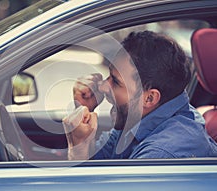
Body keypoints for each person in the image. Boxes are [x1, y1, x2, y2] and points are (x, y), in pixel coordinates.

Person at [62, 30, 217, 160]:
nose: (102, 86)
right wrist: (83, 111)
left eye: (115, 81)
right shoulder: (140, 118)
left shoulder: (161, 155)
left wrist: (79, 146)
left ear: (149, 98)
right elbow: (100, 161)